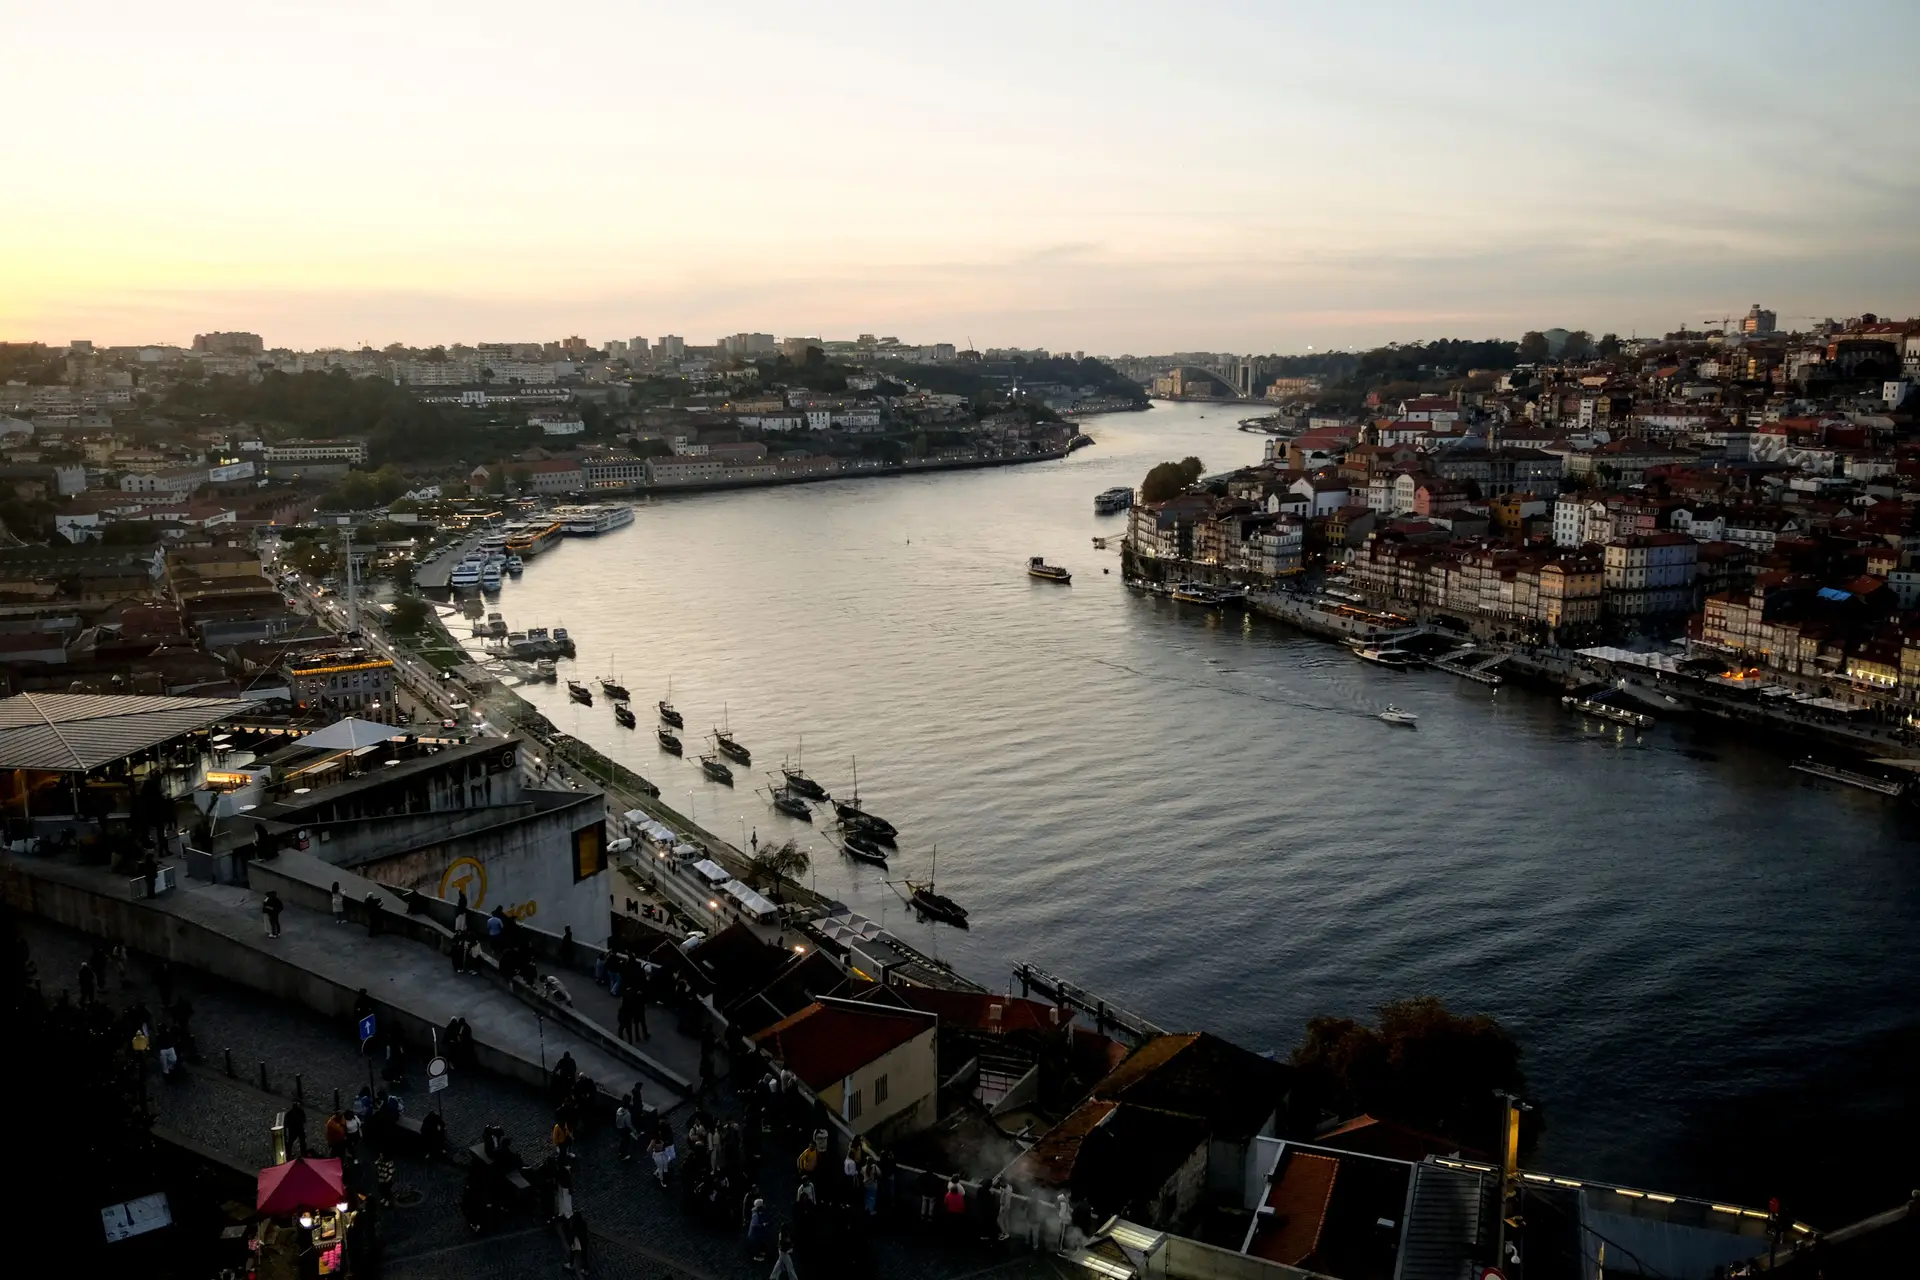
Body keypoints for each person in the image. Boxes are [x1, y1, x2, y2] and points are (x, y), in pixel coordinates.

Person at [746, 1196, 773, 1262]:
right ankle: (757, 1255)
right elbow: (754, 1225)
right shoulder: (756, 1214)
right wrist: (763, 1225)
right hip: (755, 1235)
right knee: (760, 1242)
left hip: (758, 1233)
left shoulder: (757, 1212)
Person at [614, 1097, 637, 1163]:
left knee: (623, 1140)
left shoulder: (619, 1110)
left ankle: (620, 1151)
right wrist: (634, 1130)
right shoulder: (627, 1114)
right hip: (624, 1129)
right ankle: (623, 1155)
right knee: (626, 1141)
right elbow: (629, 1124)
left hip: (619, 1127)